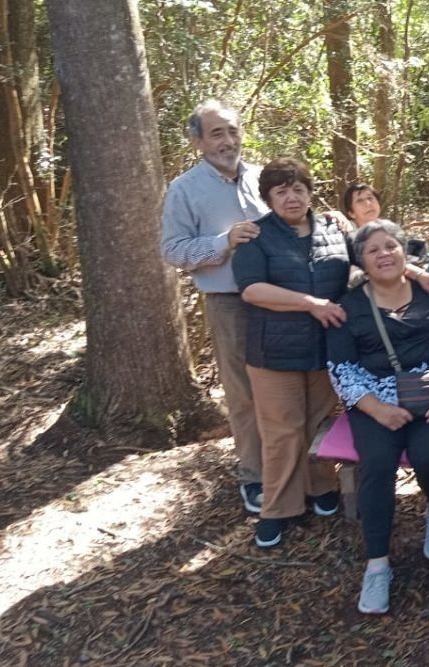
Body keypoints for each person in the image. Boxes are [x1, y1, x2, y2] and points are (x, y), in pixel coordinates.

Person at [326, 219, 429, 613]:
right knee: (378, 465)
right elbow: (341, 367)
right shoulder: (349, 307)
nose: (384, 254)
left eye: (391, 246)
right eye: (373, 250)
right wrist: (375, 408)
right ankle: (378, 564)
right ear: (361, 262)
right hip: (374, 401)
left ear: (406, 253)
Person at [232, 157, 350, 548]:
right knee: (282, 431)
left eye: (298, 188)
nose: (291, 197)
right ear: (268, 198)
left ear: (310, 192)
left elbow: (366, 263)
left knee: (318, 424)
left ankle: (321, 486)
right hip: (273, 353)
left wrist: (415, 273)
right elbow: (251, 289)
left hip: (324, 348)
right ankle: (278, 509)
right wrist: (310, 302)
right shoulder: (256, 236)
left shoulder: (333, 230)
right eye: (281, 191)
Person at [161, 99, 268, 514]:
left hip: (279, 300)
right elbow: (172, 250)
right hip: (229, 302)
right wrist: (222, 242)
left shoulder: (261, 178)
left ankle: (297, 469)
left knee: (287, 388)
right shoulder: (184, 189)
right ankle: (255, 477)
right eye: (216, 133)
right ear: (198, 141)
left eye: (232, 131)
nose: (227, 141)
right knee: (243, 394)